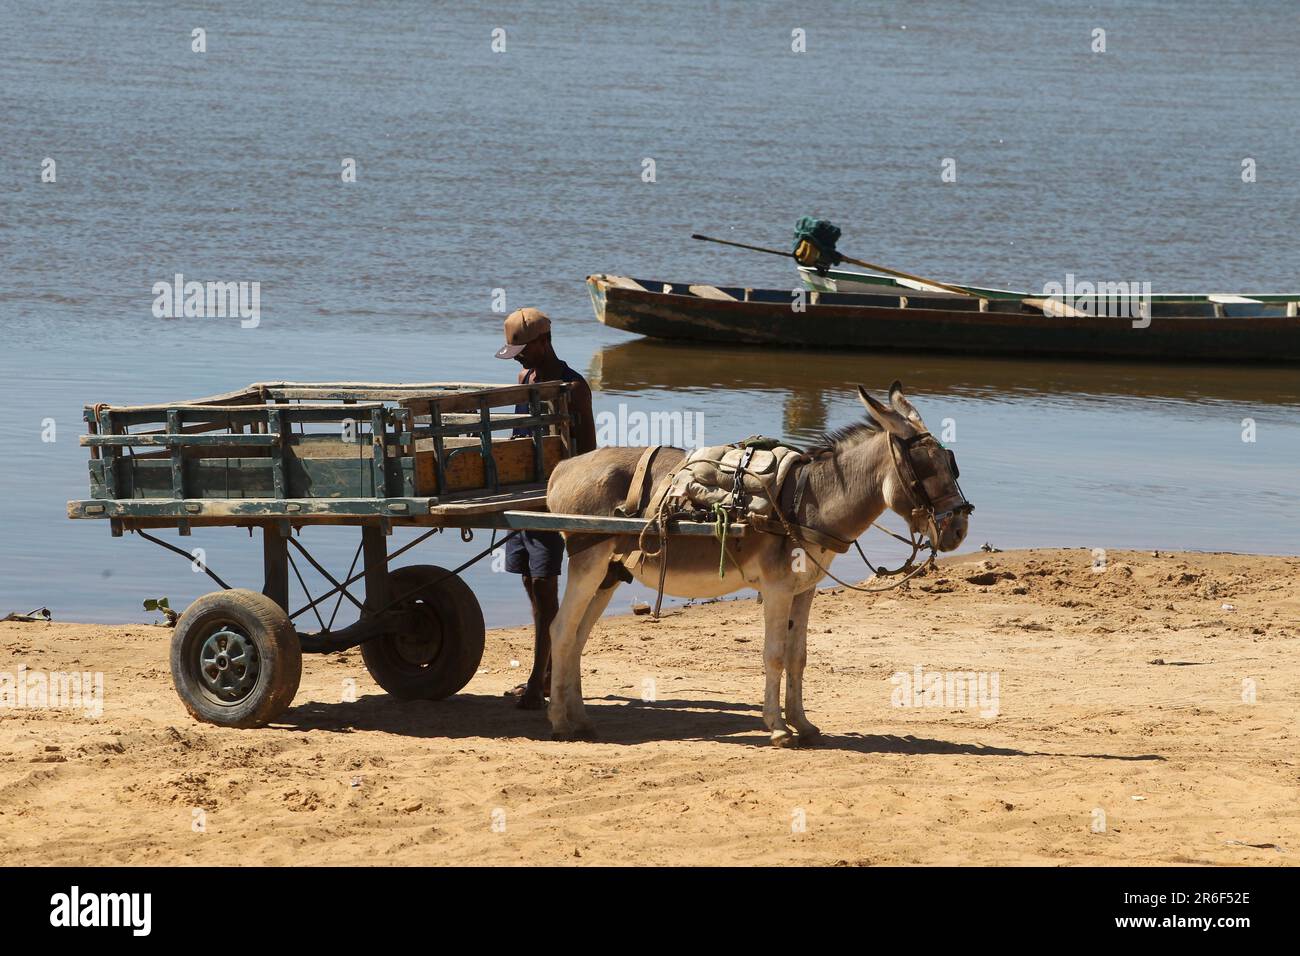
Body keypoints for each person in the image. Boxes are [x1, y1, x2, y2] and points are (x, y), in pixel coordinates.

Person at [494, 307, 597, 709]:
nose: (518, 356)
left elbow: (588, 450)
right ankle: (545, 672)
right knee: (529, 583)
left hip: (557, 500)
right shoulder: (525, 380)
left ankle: (542, 680)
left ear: (543, 342)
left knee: (545, 584)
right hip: (523, 497)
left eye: (522, 348)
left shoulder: (574, 387)